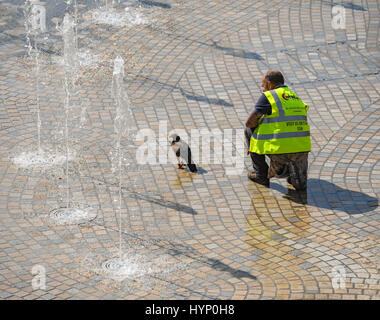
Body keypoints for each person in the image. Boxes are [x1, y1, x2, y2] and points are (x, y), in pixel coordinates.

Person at [245, 70, 311, 190]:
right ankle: (293, 173)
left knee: (248, 130)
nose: (262, 89)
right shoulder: (295, 97)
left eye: (263, 85)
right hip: (302, 148)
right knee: (300, 186)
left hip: (280, 148)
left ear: (269, 84)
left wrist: (252, 142)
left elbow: (249, 122)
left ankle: (261, 175)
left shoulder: (269, 96)